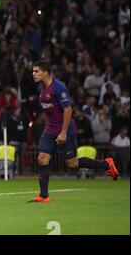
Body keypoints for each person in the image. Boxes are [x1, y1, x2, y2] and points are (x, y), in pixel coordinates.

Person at [29, 60, 118, 203]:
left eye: (36, 71)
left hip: (66, 130)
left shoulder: (58, 87)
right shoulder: (42, 89)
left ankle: (106, 164)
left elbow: (68, 109)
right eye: (33, 71)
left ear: (45, 73)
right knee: (42, 158)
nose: (33, 74)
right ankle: (44, 196)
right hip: (50, 129)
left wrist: (63, 132)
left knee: (73, 163)